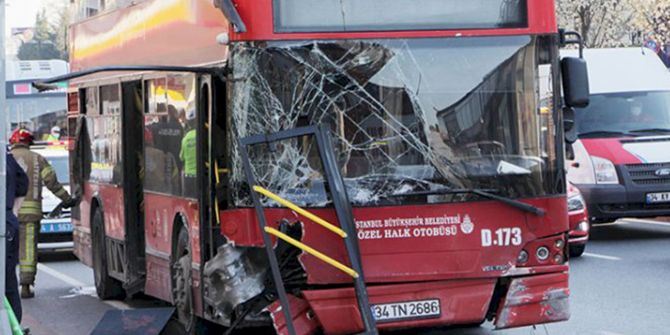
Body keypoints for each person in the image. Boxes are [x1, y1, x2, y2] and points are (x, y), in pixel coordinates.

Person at [9, 129, 77, 298]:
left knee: (7, 250)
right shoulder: (38, 159)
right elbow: (52, 182)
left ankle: (6, 285)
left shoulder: (6, 159)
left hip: (8, 215)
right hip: (30, 215)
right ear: (29, 143)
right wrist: (67, 200)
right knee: (28, 250)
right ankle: (26, 283)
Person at [6, 150, 28, 322]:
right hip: (8, 222)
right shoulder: (6, 154)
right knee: (8, 278)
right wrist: (13, 212)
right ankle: (13, 324)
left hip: (6, 222)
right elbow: (23, 183)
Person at [179, 109, 197, 198]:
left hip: (188, 176)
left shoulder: (185, 138)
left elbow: (181, 157)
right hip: (200, 175)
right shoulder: (203, 135)